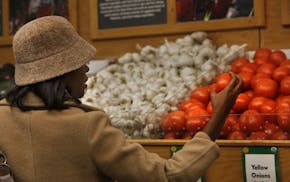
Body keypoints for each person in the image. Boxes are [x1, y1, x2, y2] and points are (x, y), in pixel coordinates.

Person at [0, 16, 242, 182]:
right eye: (77, 62)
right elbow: (170, 175)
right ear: (61, 73)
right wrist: (217, 116)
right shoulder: (86, 125)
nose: (86, 68)